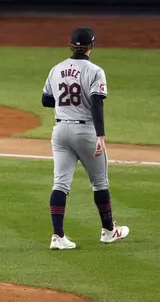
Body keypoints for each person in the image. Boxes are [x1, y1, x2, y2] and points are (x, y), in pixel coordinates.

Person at [41, 27, 129, 250]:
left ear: (71, 45)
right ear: (91, 46)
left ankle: (57, 236)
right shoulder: (95, 71)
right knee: (100, 183)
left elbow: (46, 100)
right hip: (86, 132)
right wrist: (101, 135)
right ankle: (109, 231)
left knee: (60, 184)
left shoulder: (56, 68)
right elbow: (97, 103)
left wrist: (67, 103)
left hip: (60, 131)